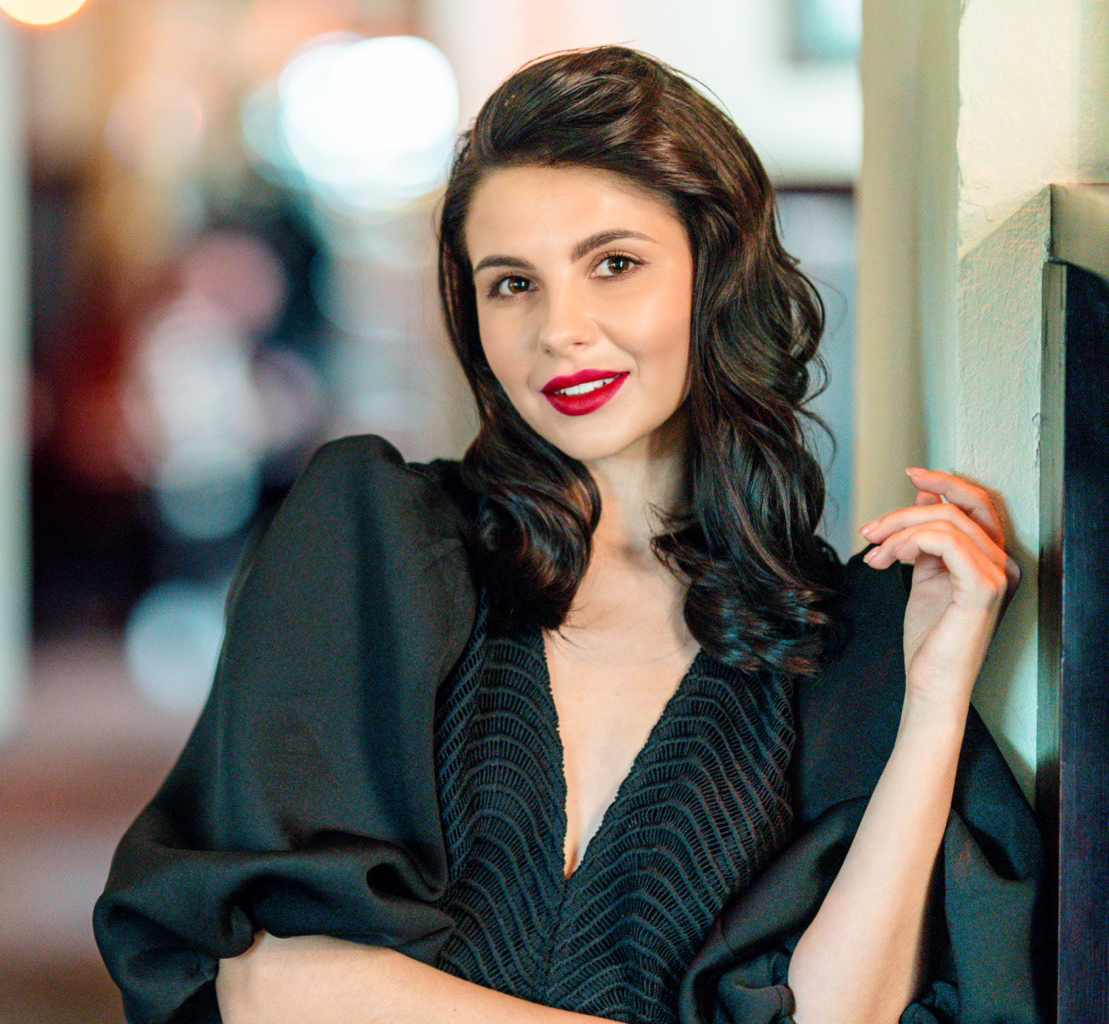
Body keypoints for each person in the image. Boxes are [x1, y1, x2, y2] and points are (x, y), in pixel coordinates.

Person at [93, 45, 1044, 1024]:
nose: (560, 329)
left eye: (614, 265)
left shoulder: (829, 642)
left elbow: (839, 1012)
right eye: (512, 284)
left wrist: (934, 699)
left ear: (715, 274)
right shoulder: (370, 542)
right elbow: (278, 989)